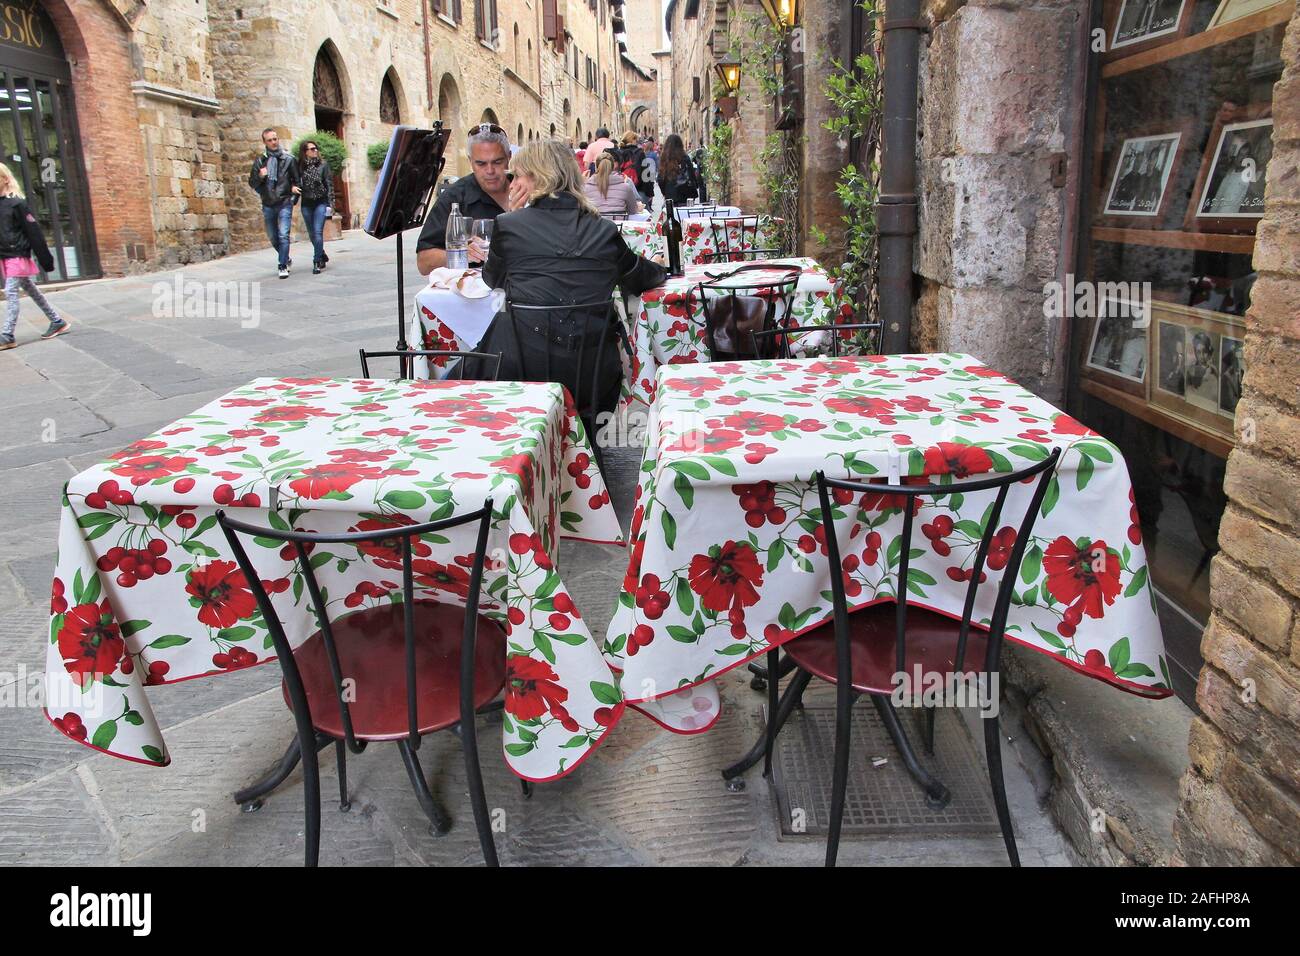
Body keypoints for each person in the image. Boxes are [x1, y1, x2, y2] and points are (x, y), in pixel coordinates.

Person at [479, 140, 666, 424]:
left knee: (475, 359)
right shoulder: (602, 230)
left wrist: (514, 217)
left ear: (537, 176)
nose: (511, 183)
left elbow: (492, 279)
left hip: (526, 372)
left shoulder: (508, 225)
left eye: (516, 175)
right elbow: (641, 277)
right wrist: (662, 267)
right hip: (593, 376)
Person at [416, 123, 511, 274]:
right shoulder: (454, 198)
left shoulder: (528, 189)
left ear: (509, 157)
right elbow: (424, 262)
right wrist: (460, 253)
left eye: (497, 162)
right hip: (476, 293)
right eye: (481, 163)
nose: (490, 170)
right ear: (470, 161)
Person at [0, 163, 68, 349]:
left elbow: (34, 232)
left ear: (5, 179)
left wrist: (46, 259)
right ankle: (57, 321)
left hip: (17, 255)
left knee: (11, 292)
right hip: (5, 256)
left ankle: (7, 334)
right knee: (31, 289)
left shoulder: (18, 204)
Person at [248, 128, 300, 278]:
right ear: (264, 142)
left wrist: (293, 199)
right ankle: (286, 257)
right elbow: (252, 183)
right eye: (270, 140)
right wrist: (260, 176)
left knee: (284, 235)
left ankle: (282, 265)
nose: (273, 142)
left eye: (275, 139)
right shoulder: (260, 161)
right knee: (273, 236)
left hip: (284, 202)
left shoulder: (289, 159)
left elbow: (298, 181)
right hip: (268, 203)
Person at [296, 139, 334, 275]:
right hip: (306, 203)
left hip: (320, 202)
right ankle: (322, 254)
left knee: (317, 232)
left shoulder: (323, 165)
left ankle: (316, 261)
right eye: (312, 149)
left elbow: (329, 184)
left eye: (316, 148)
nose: (315, 151)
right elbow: (294, 181)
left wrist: (330, 205)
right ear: (305, 152)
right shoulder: (299, 166)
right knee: (312, 234)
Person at [583, 151, 643, 215]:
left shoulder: (586, 187)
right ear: (612, 166)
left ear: (596, 167)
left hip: (594, 223)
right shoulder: (625, 187)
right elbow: (632, 211)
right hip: (619, 223)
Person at [656, 134, 703, 205]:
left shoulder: (665, 158)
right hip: (687, 194)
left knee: (672, 214)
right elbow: (691, 175)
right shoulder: (685, 157)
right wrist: (695, 186)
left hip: (671, 195)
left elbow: (660, 179)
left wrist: (665, 192)